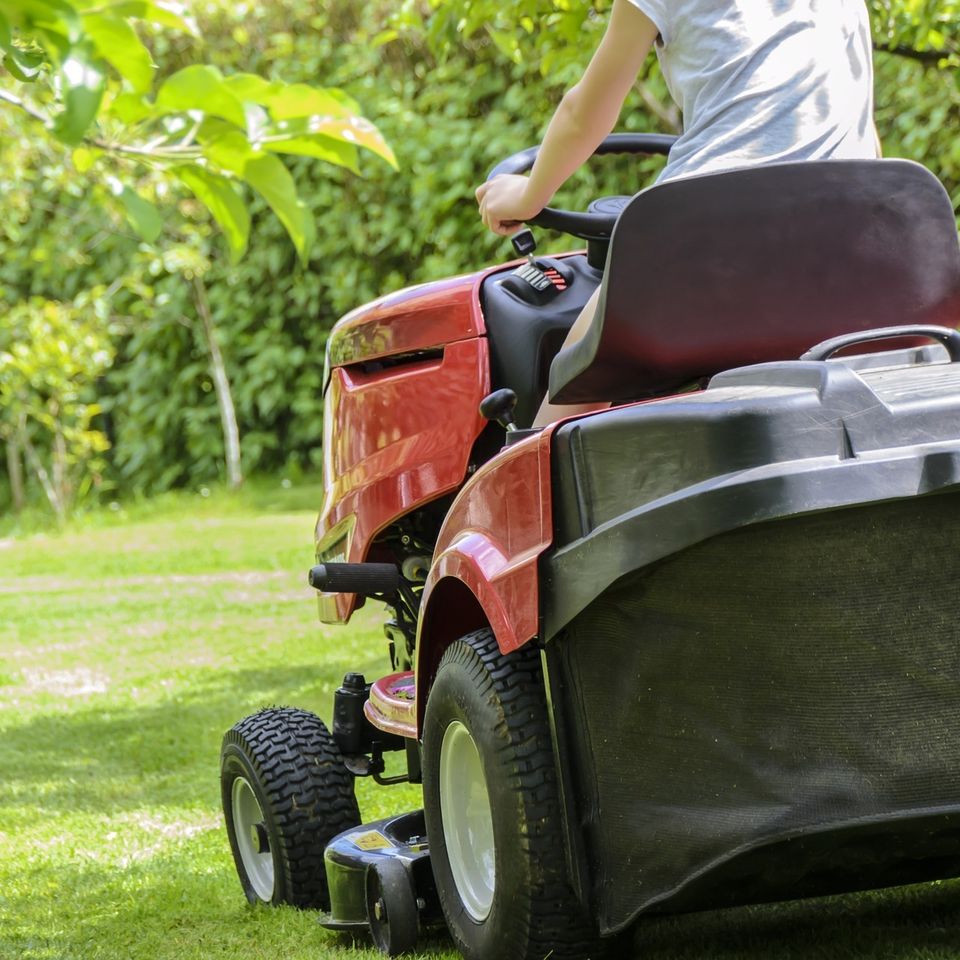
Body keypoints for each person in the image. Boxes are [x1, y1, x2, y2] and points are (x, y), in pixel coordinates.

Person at [475, 0, 880, 426]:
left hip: (711, 232)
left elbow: (585, 113)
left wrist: (528, 196)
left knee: (579, 370)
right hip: (849, 246)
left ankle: (533, 476)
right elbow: (864, 134)